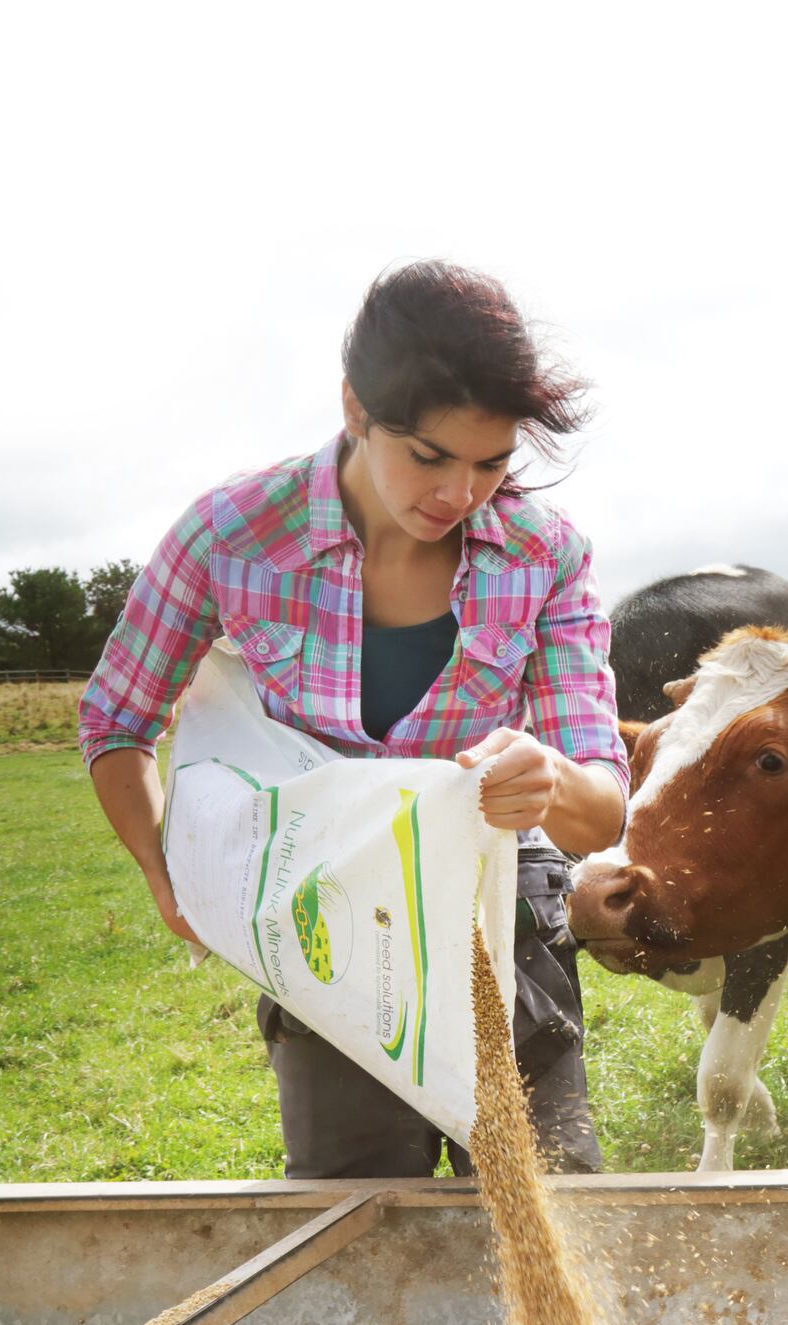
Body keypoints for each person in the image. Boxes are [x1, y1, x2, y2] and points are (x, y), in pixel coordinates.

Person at [79, 261, 629, 1178]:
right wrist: (164, 870)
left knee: (548, 1190)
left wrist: (550, 776)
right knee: (356, 1210)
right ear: (355, 409)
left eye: (491, 463)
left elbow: (600, 809)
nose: (461, 493)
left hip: (500, 908)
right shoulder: (232, 534)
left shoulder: (547, 554)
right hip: (325, 910)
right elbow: (117, 720)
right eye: (430, 456)